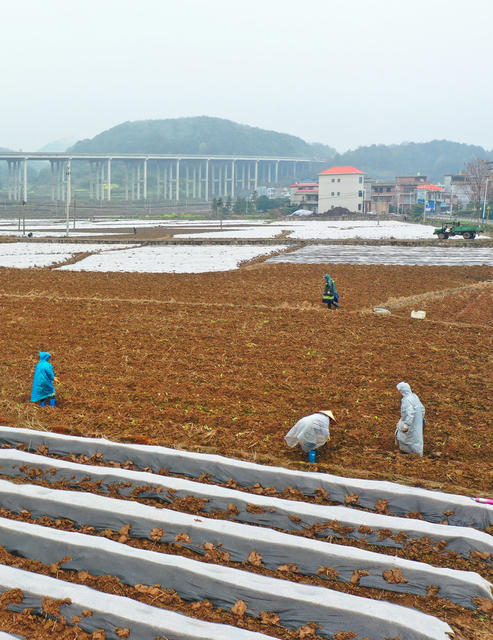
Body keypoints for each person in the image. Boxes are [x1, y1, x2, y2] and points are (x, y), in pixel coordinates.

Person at [395, 382, 425, 455]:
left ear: (401, 391)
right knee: (416, 438)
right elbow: (422, 408)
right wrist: (422, 419)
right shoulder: (414, 396)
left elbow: (409, 413)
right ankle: (414, 453)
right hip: (416, 422)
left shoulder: (406, 400)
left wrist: (406, 424)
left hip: (410, 423)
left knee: (405, 437)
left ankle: (408, 453)